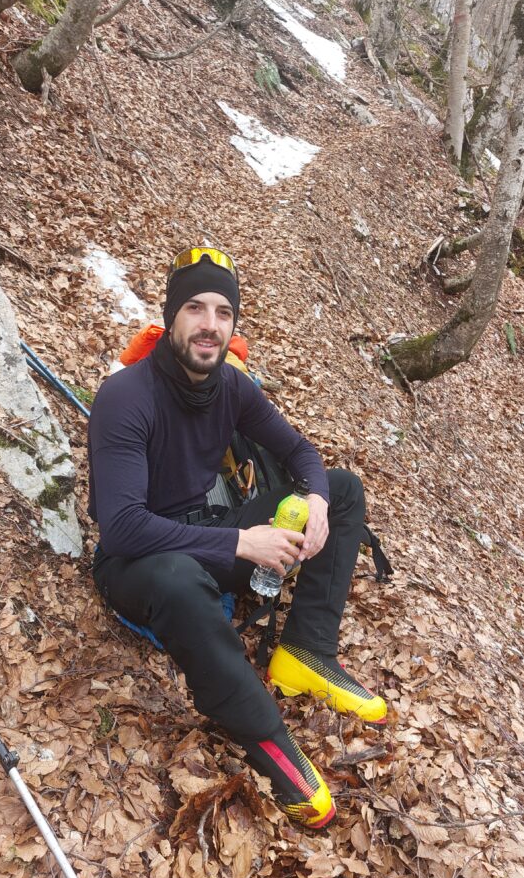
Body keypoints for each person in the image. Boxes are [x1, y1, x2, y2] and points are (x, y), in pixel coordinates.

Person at [88, 246, 387, 829]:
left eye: (223, 313)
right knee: (178, 577)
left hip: (204, 534)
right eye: (195, 308)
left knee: (344, 488)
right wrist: (241, 544)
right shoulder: (125, 397)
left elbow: (300, 451)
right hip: (136, 563)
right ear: (171, 315)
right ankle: (265, 736)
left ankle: (305, 653)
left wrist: (317, 499)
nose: (210, 325)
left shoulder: (231, 385)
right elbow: (121, 527)